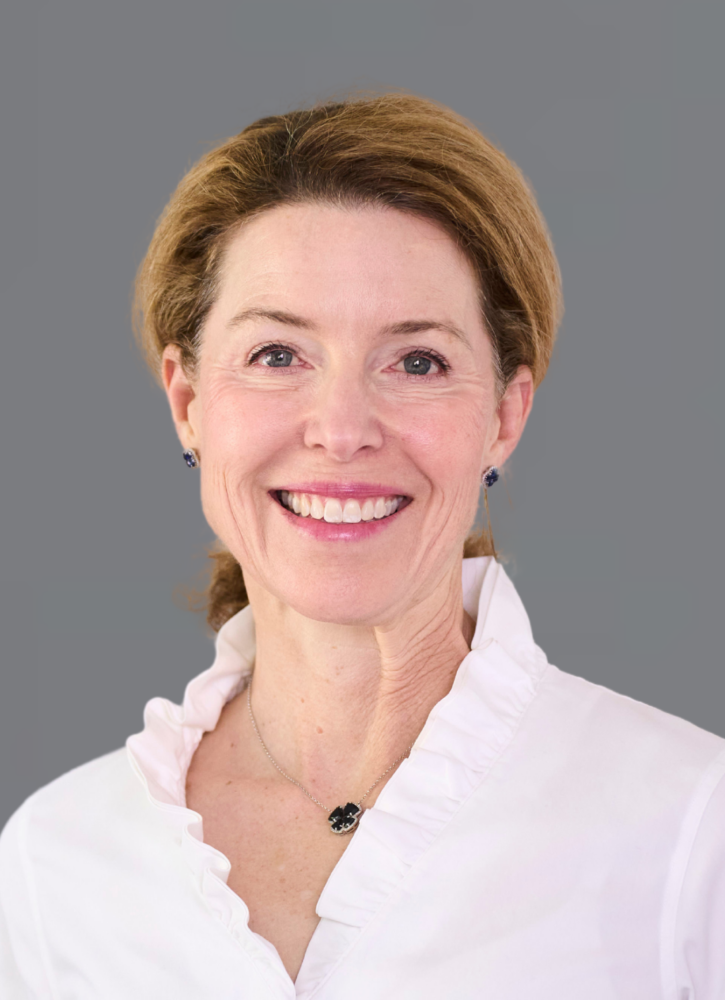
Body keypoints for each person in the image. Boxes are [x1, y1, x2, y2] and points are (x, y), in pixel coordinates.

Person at [1, 92, 723, 999]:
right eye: (276, 355)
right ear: (188, 402)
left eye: (416, 361)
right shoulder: (54, 863)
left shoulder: (692, 831)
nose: (341, 430)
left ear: (504, 414)